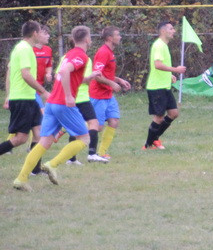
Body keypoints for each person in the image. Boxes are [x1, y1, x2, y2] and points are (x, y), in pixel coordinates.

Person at [13, 25, 100, 191]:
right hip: (62, 103)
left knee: (44, 141)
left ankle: (21, 179)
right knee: (84, 139)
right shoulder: (81, 56)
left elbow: (63, 75)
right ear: (87, 39)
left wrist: (87, 78)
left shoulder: (69, 54)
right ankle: (52, 164)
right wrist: (68, 96)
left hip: (52, 102)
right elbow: (66, 71)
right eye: (90, 37)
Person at [2, 21, 50, 159]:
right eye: (40, 31)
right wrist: (43, 92)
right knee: (21, 138)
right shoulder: (24, 49)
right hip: (22, 99)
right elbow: (25, 74)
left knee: (39, 133)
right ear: (35, 33)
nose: (41, 34)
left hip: (29, 97)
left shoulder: (24, 48)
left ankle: (35, 168)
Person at [89, 26, 132, 162]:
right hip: (98, 95)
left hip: (108, 95)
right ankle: (67, 127)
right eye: (117, 35)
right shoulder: (103, 52)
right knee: (98, 127)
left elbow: (106, 74)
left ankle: (101, 153)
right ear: (109, 38)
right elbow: (96, 75)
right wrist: (112, 84)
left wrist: (119, 80)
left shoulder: (110, 52)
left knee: (114, 121)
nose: (120, 37)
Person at [143, 21, 186, 150]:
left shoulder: (164, 45)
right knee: (159, 116)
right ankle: (148, 144)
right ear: (163, 31)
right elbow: (157, 65)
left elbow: (161, 65)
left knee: (173, 113)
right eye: (171, 29)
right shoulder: (159, 45)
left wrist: (169, 75)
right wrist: (175, 70)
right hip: (157, 87)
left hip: (164, 86)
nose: (174, 31)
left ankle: (154, 139)